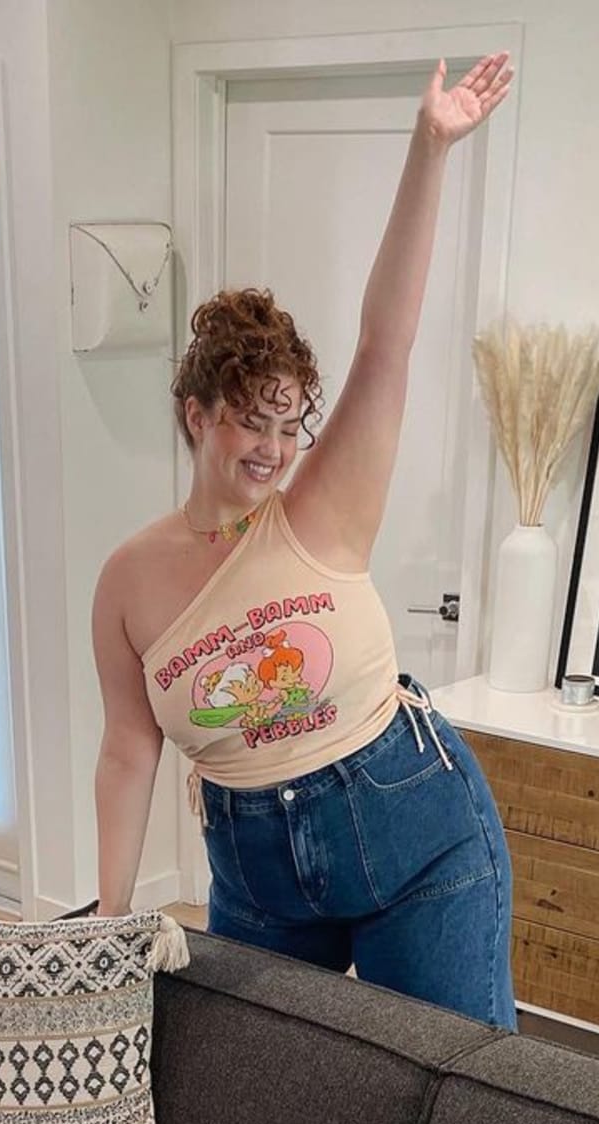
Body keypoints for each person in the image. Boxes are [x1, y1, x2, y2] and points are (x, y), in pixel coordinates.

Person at [91, 53, 518, 1030]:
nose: (275, 450)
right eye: (252, 422)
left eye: (292, 427)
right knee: (266, 1089)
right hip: (255, 868)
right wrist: (109, 921)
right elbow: (127, 749)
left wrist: (430, 148)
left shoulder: (321, 509)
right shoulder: (129, 582)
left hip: (415, 829)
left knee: (462, 1081)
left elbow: (388, 340)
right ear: (196, 416)